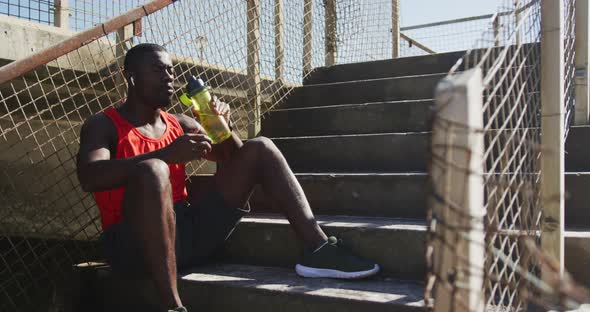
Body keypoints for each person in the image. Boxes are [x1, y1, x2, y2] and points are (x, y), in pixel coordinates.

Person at [76, 43, 379, 312]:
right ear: (131, 77)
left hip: (188, 233)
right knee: (153, 170)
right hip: (132, 245)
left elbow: (233, 156)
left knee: (260, 148)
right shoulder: (103, 124)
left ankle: (318, 248)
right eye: (157, 70)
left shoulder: (180, 123)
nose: (169, 77)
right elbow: (90, 176)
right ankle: (173, 305)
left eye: (171, 71)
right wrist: (166, 155)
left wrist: (223, 124)